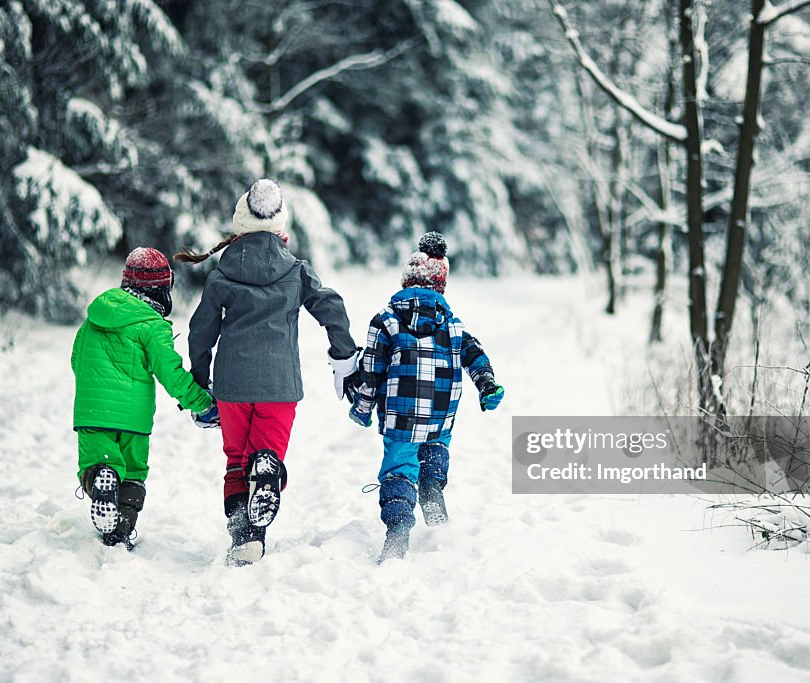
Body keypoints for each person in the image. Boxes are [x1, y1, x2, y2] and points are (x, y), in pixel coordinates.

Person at [177, 178, 359, 566]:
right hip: (280, 385)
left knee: (236, 461)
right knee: (266, 455)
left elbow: (200, 331)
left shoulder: (222, 275)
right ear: (280, 229)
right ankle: (268, 471)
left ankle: (246, 536)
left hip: (232, 385)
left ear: (239, 226)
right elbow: (333, 309)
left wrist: (198, 379)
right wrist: (343, 357)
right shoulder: (296, 272)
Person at [348, 232, 505, 562]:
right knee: (434, 452)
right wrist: (487, 384)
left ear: (405, 281)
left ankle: (398, 533)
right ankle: (434, 504)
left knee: (400, 469)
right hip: (440, 415)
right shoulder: (453, 324)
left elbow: (372, 371)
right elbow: (475, 356)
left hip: (401, 418)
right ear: (441, 287)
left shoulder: (386, 320)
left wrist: (362, 409)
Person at [72, 247, 219, 549]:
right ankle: (120, 533)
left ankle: (102, 477)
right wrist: (202, 403)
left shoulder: (94, 317)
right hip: (134, 418)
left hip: (91, 411)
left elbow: (77, 359)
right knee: (133, 474)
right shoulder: (152, 325)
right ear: (160, 288)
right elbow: (171, 373)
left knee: (97, 463)